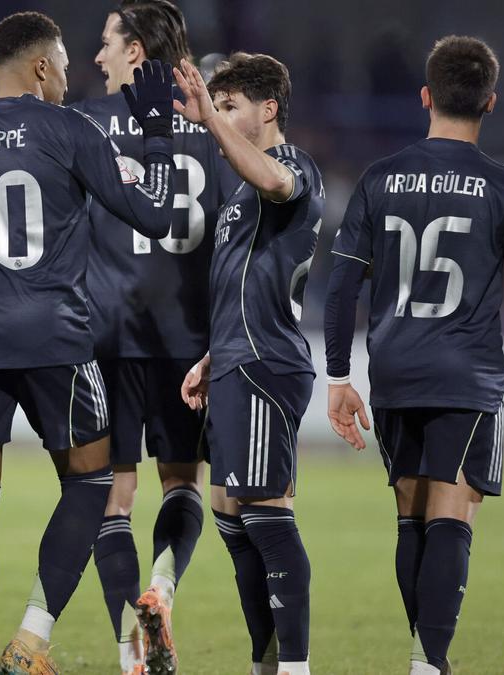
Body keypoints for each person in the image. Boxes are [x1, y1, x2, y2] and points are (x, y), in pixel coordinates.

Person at [0, 10, 176, 674]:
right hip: (56, 340)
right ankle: (32, 636)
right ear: (41, 66)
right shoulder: (70, 130)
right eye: (67, 65)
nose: (72, 77)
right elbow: (156, 214)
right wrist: (157, 136)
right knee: (90, 482)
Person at [322, 36, 504, 675]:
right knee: (453, 512)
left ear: (425, 96)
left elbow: (343, 283)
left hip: (395, 368)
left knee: (411, 513)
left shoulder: (379, 178)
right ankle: (429, 662)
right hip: (466, 372)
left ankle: (425, 659)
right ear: (490, 101)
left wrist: (339, 374)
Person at [76, 4, 231, 671]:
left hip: (105, 332)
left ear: (135, 50)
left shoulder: (85, 123)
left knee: (112, 492)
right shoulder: (215, 125)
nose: (97, 57)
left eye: (106, 43)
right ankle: (162, 589)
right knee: (182, 484)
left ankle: (130, 651)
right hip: (189, 336)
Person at [175, 52, 324, 675]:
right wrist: (214, 353)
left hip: (266, 363)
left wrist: (209, 119)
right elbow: (246, 281)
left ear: (269, 110)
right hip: (238, 358)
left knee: (266, 514)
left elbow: (275, 181)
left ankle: (293, 666)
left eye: (232, 105)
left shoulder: (291, 167)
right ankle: (265, 662)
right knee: (232, 517)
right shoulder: (244, 188)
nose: (222, 118)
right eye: (219, 105)